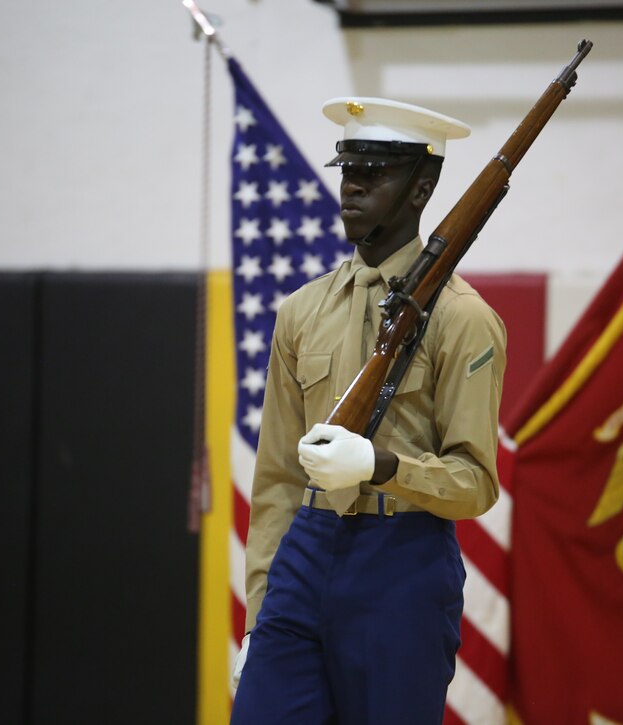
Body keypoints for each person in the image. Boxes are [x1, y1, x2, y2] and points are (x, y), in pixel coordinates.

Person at [230, 96, 507, 724]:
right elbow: (275, 477)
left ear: (422, 187)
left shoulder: (463, 319)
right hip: (305, 550)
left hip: (401, 563)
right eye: (347, 169)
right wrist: (258, 615)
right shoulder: (301, 311)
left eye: (374, 172)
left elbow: (476, 483)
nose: (351, 186)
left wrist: (383, 467)